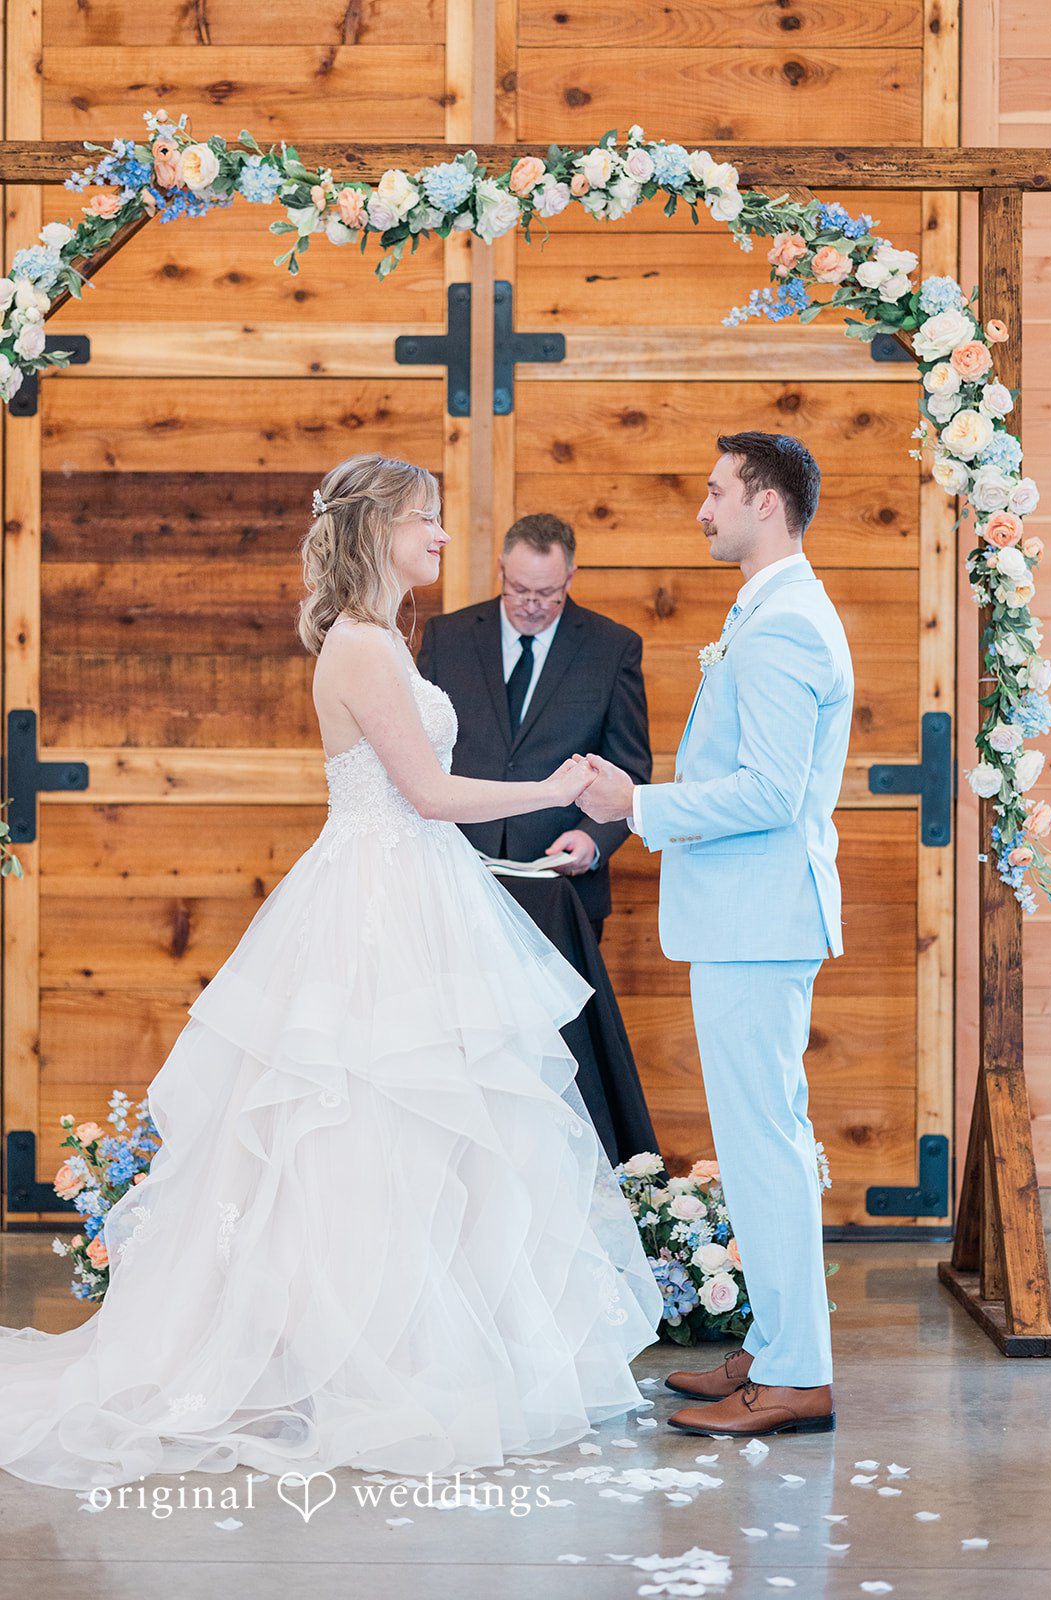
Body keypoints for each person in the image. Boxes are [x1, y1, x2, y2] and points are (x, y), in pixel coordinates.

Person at [0, 453, 662, 1492]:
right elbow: (428, 792)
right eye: (426, 521)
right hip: (374, 905)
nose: (442, 538)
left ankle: (428, 1347)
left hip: (417, 896)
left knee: (428, 1133)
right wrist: (548, 783)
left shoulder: (386, 641)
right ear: (377, 530)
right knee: (358, 1125)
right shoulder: (359, 649)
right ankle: (361, 1359)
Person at [575, 431, 853, 1439]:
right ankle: (773, 1349)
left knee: (765, 1145)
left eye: (714, 490)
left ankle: (792, 1377)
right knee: (758, 1140)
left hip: (755, 918)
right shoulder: (769, 610)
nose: (701, 508)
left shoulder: (783, 625)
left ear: (766, 505)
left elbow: (774, 793)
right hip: (748, 918)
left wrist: (639, 803)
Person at [417, 513, 652, 942]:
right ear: (502, 570)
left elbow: (630, 768)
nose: (531, 604)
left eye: (547, 593)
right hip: (457, 872)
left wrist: (592, 840)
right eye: (519, 590)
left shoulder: (612, 648)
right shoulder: (447, 637)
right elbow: (419, 754)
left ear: (570, 578)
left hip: (560, 885)